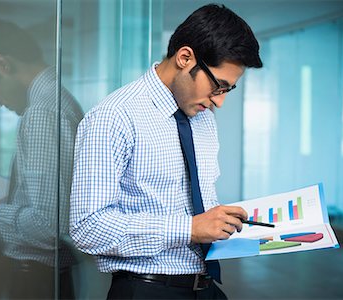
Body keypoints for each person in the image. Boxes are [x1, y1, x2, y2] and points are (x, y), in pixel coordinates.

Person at [69, 4, 262, 300]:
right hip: (146, 290)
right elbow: (87, 228)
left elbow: (195, 200)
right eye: (218, 86)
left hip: (206, 286)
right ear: (185, 58)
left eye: (227, 90)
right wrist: (188, 228)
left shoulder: (203, 116)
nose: (219, 102)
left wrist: (221, 223)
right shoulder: (114, 117)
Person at [0, 19, 83, 299]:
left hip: (37, 278)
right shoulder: (58, 101)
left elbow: (48, 226)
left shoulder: (42, 112)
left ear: (2, 64)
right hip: (44, 277)